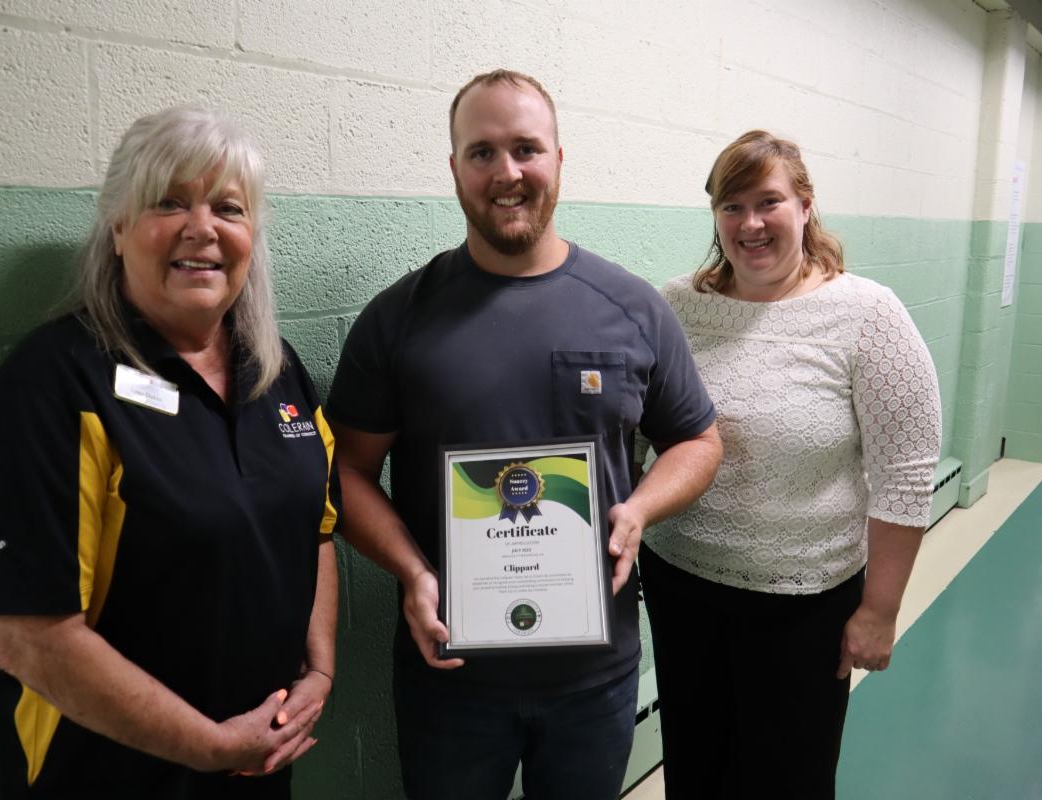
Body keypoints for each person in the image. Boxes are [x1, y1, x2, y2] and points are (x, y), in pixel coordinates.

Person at [325, 69, 722, 800]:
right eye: (481, 152)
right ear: (454, 169)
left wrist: (640, 509)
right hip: (451, 677)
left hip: (594, 676)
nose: (506, 172)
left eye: (526, 149)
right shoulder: (398, 319)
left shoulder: (632, 308)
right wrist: (412, 572)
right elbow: (344, 472)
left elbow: (699, 441)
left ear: (558, 160)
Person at [0, 106, 339, 798]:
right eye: (168, 202)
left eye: (229, 208)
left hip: (258, 763)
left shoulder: (277, 372)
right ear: (118, 227)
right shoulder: (49, 387)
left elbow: (316, 526)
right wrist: (211, 747)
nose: (202, 228)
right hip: (101, 777)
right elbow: (28, 638)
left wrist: (319, 668)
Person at [639, 129, 942, 799]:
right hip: (680, 585)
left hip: (804, 606)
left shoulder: (867, 315)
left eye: (768, 202)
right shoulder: (676, 305)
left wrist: (879, 610)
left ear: (805, 206)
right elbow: (639, 424)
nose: (750, 223)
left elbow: (906, 471)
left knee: (787, 779)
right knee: (694, 768)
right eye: (732, 206)